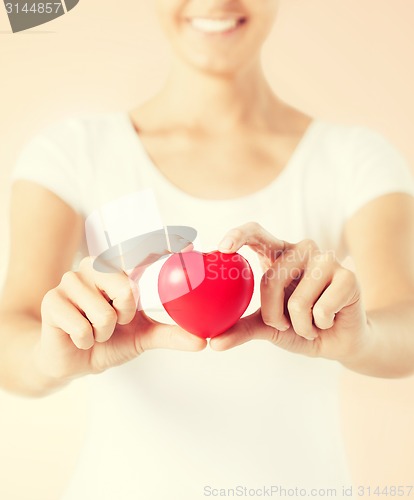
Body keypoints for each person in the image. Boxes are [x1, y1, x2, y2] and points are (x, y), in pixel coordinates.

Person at [1, 1, 414, 498]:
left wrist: (363, 337)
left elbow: (405, 322)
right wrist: (51, 356)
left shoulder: (355, 158)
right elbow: (12, 335)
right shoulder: (71, 153)